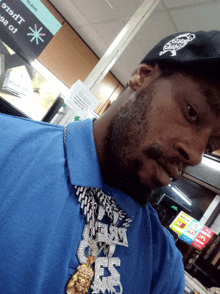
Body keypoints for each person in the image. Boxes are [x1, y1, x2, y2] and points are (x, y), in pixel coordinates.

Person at [1, 30, 220, 294]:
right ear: (144, 76)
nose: (195, 155)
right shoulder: (8, 147)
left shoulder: (161, 264)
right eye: (192, 113)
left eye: (209, 147)